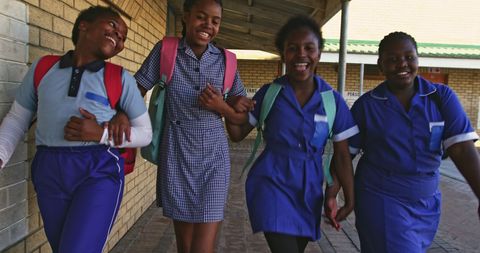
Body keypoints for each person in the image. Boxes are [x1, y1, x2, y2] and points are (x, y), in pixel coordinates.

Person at [0, 6, 152, 253]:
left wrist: (99, 133)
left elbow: (145, 133)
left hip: (98, 169)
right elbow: (18, 117)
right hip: (49, 168)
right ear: (84, 25)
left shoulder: (119, 77)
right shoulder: (43, 68)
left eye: (123, 37)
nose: (119, 37)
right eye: (113, 25)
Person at [226, 15, 357, 253]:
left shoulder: (331, 101)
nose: (301, 55)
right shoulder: (270, 93)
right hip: (271, 182)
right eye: (292, 48)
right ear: (283, 53)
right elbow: (237, 133)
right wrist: (229, 106)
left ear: (319, 53)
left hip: (308, 191)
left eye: (309, 48)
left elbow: (342, 156)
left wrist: (349, 197)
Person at [130, 0, 250, 252]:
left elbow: (239, 115)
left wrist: (223, 107)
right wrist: (123, 117)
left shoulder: (226, 61)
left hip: (214, 159)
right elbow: (137, 87)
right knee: (185, 246)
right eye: (201, 17)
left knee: (202, 248)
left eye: (215, 21)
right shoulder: (166, 51)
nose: (208, 25)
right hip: (177, 154)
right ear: (186, 17)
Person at [349, 31, 480, 253]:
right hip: (380, 198)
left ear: (418, 59)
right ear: (380, 65)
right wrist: (333, 193)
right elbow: (344, 154)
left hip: (426, 204)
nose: (402, 64)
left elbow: (461, 149)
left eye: (409, 57)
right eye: (392, 59)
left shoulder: (441, 97)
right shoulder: (367, 106)